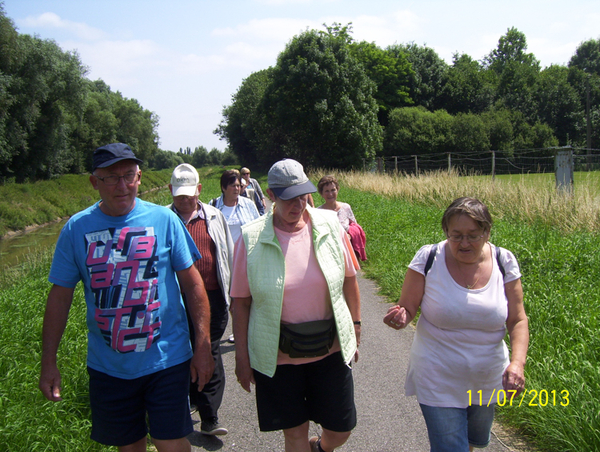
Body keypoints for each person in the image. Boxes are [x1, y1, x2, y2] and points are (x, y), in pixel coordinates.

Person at [39, 143, 214, 452]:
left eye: (129, 176)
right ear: (94, 182)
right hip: (109, 367)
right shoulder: (76, 229)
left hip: (167, 359)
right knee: (129, 447)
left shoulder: (165, 221)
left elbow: (194, 286)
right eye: (111, 177)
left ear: (139, 177)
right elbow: (59, 298)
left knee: (171, 443)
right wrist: (49, 362)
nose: (122, 185)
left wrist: (202, 346)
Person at [230, 158, 361, 452]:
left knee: (341, 429)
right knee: (294, 432)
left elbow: (350, 280)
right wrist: (242, 357)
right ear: (271, 195)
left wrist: (355, 324)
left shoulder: (329, 225)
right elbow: (240, 303)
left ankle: (321, 447)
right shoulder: (251, 237)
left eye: (303, 195)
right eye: (289, 198)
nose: (298, 205)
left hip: (330, 350)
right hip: (278, 357)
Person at [383, 197, 529, 452]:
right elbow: (408, 307)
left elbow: (517, 319)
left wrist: (517, 363)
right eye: (456, 235)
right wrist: (401, 317)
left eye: (473, 235)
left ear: (487, 232)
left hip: (486, 376)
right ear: (446, 233)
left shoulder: (504, 261)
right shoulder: (429, 258)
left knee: (473, 443)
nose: (464, 243)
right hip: (438, 376)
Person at [168, 163, 234, 436]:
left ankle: (209, 417)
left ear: (199, 189)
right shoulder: (163, 219)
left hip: (213, 298)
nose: (185, 199)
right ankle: (189, 401)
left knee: (209, 348)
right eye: (179, 194)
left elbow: (227, 254)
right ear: (171, 191)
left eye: (189, 193)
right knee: (183, 353)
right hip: (177, 301)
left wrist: (234, 291)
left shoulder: (215, 217)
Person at [317, 175, 366, 261]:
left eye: (333, 190)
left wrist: (350, 235)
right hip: (329, 254)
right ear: (321, 193)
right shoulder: (318, 212)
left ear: (337, 190)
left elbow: (354, 226)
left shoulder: (346, 207)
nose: (330, 194)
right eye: (326, 191)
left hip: (348, 252)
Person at [210, 169, 260, 243]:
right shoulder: (213, 206)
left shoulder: (248, 205)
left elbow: (259, 227)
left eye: (238, 185)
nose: (236, 189)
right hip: (223, 253)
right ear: (223, 187)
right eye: (233, 186)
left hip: (245, 253)